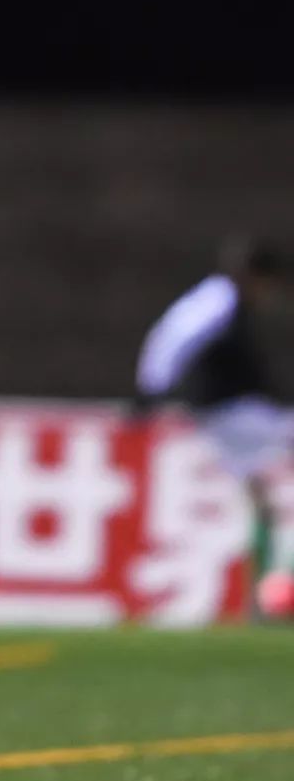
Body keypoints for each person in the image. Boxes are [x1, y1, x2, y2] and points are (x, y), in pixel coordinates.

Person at [134, 235, 292, 610]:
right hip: (231, 413)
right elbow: (174, 337)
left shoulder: (224, 301)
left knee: (259, 497)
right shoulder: (218, 301)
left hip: (232, 414)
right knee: (266, 479)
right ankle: (267, 589)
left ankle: (260, 596)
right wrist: (151, 390)